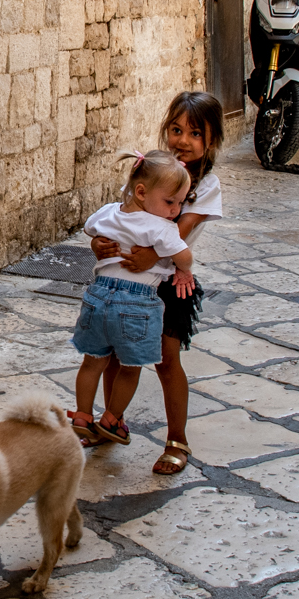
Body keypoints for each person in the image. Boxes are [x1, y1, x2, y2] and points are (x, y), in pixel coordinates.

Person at [92, 91, 225, 474]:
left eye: (195, 134)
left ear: (211, 140)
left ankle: (177, 439)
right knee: (114, 353)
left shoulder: (207, 185)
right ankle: (112, 422)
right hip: (126, 278)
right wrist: (98, 243)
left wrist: (151, 255)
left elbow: (178, 231)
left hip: (168, 285)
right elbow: (120, 217)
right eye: (176, 129)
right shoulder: (151, 170)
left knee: (167, 360)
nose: (183, 140)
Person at [68, 150, 196, 448]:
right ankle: (112, 419)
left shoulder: (109, 211)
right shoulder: (162, 227)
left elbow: (89, 227)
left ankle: (82, 416)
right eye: (170, 202)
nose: (175, 210)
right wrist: (184, 269)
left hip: (97, 297)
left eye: (180, 203)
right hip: (136, 303)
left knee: (92, 364)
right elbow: (185, 255)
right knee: (130, 367)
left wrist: (97, 241)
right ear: (141, 192)